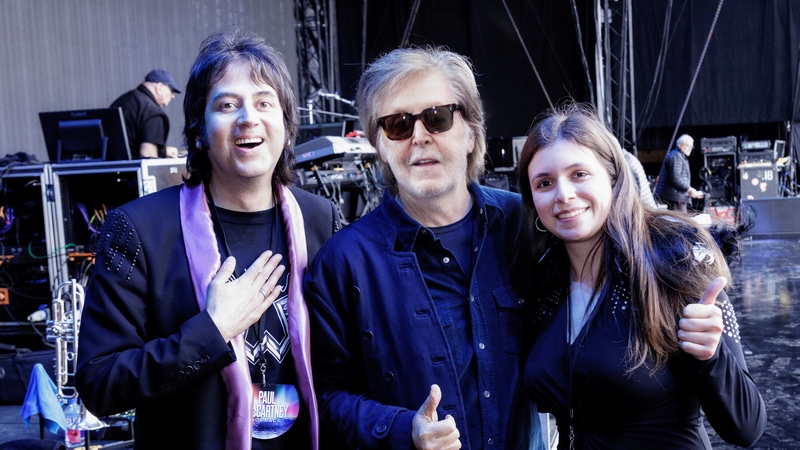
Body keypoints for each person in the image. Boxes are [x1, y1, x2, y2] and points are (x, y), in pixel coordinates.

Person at [75, 30, 340, 450]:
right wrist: (212, 331)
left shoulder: (319, 217)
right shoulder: (140, 229)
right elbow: (99, 382)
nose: (248, 117)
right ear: (198, 132)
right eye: (227, 105)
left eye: (264, 102)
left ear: (287, 128)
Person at [304, 47, 543, 450]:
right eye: (398, 124)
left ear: (470, 132)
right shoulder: (344, 262)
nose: (419, 137)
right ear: (380, 146)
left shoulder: (523, 224)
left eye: (438, 118)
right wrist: (404, 429)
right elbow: (326, 401)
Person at [518, 104, 766, 449]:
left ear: (613, 178)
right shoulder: (543, 281)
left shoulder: (675, 257)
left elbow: (748, 426)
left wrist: (711, 355)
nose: (563, 194)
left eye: (579, 174)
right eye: (544, 183)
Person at [111, 69, 181, 158]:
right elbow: (148, 155)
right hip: (134, 171)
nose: (173, 96)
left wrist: (163, 151)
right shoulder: (153, 112)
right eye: (172, 91)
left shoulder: (121, 101)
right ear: (159, 87)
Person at [654, 134, 704, 212]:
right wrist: (689, 189)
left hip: (676, 197)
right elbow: (675, 178)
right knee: (679, 222)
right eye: (688, 146)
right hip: (675, 198)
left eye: (691, 147)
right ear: (681, 145)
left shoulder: (677, 156)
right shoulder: (676, 157)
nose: (690, 149)